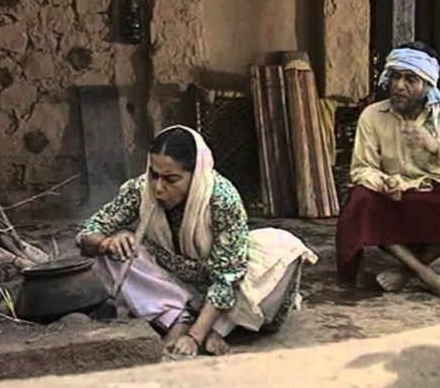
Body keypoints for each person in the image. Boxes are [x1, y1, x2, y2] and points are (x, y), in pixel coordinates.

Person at [76, 125, 318, 356]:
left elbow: (227, 277)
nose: (158, 188)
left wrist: (194, 338)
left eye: (171, 179)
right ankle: (178, 318)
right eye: (154, 175)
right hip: (170, 278)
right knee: (112, 253)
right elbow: (89, 231)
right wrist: (106, 244)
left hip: (219, 278)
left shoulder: (222, 198)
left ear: (196, 174)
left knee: (284, 250)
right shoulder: (140, 189)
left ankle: (212, 328)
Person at [336, 41, 440, 300]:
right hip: (393, 198)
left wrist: (436, 147)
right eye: (395, 77)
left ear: (427, 85)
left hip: (434, 196)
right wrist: (384, 182)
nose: (398, 86)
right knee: (361, 198)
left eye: (410, 79)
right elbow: (362, 169)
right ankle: (425, 273)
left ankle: (407, 272)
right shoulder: (372, 116)